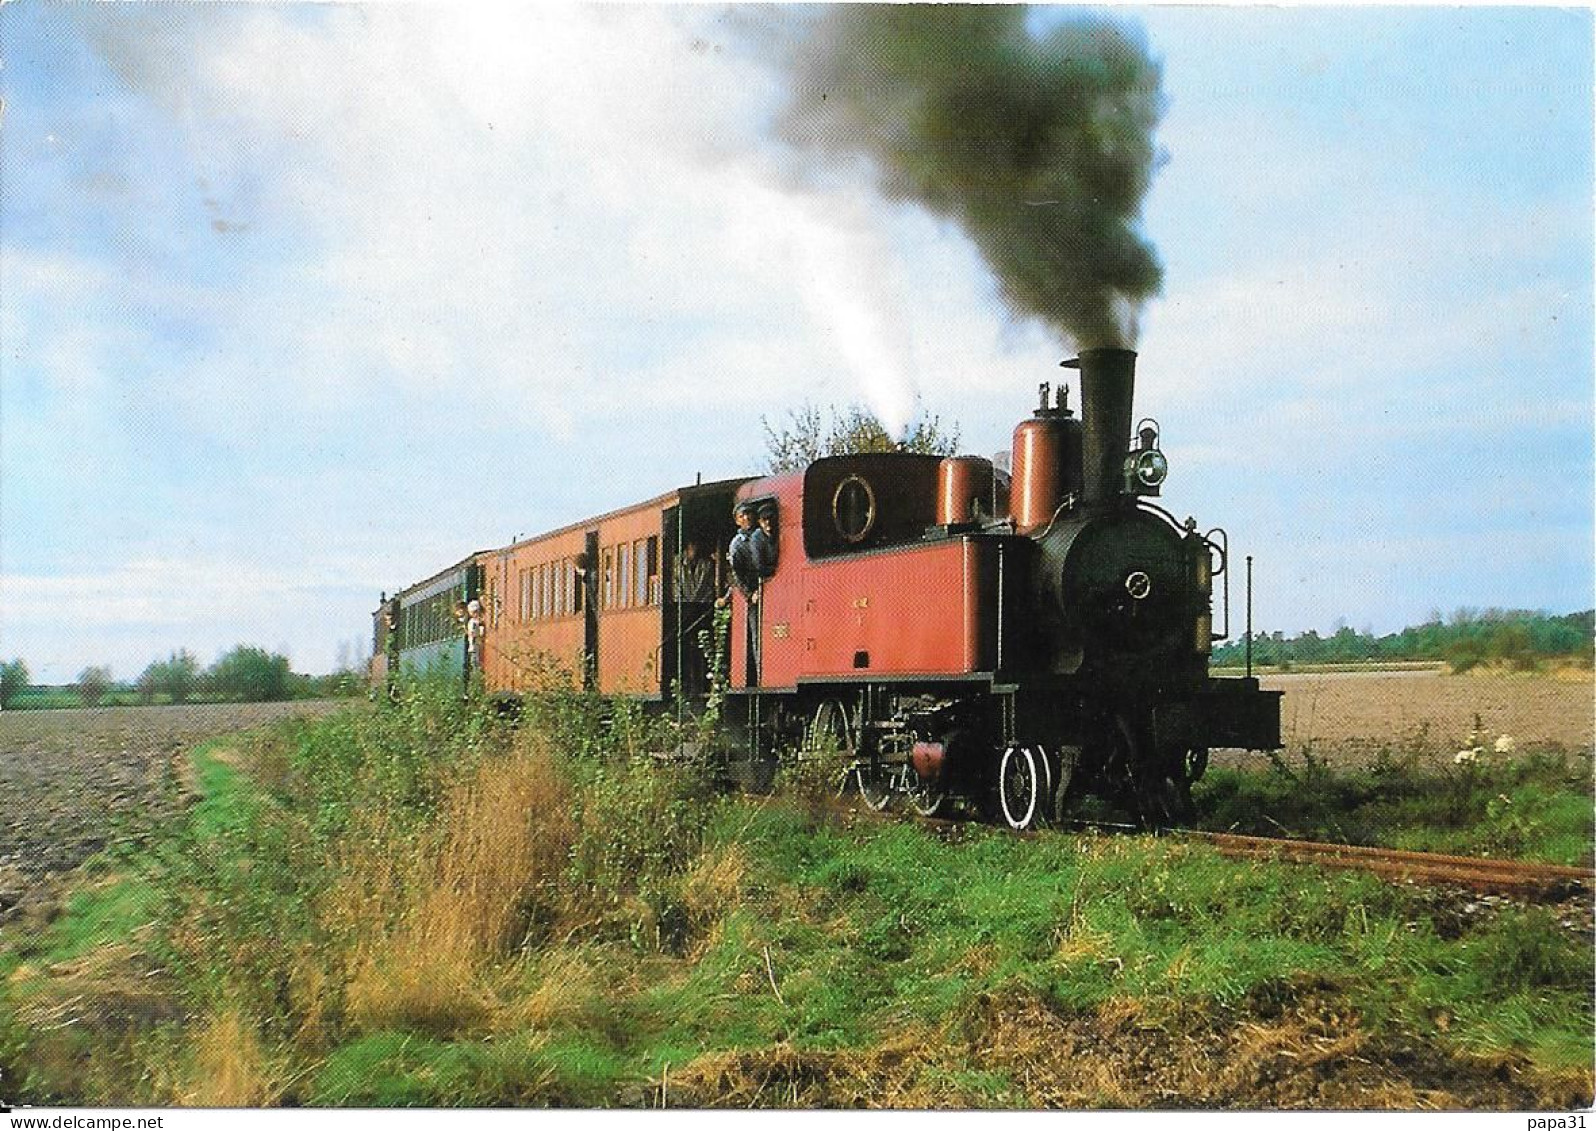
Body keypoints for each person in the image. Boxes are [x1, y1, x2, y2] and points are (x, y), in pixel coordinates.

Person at [673, 539, 715, 695]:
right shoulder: (676, 564)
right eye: (691, 545)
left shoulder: (706, 564)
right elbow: (675, 586)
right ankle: (687, 685)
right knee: (685, 648)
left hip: (703, 608)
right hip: (683, 608)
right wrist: (685, 603)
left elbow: (707, 585)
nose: (694, 548)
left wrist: (696, 601)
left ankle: (701, 684)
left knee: (703, 646)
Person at [465, 598, 485, 675]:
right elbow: (473, 634)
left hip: (476, 646)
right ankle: (476, 675)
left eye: (477, 612)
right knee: (475, 663)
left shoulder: (476, 622)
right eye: (474, 612)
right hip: (474, 646)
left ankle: (477, 675)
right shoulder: (473, 622)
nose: (476, 614)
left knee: (477, 662)